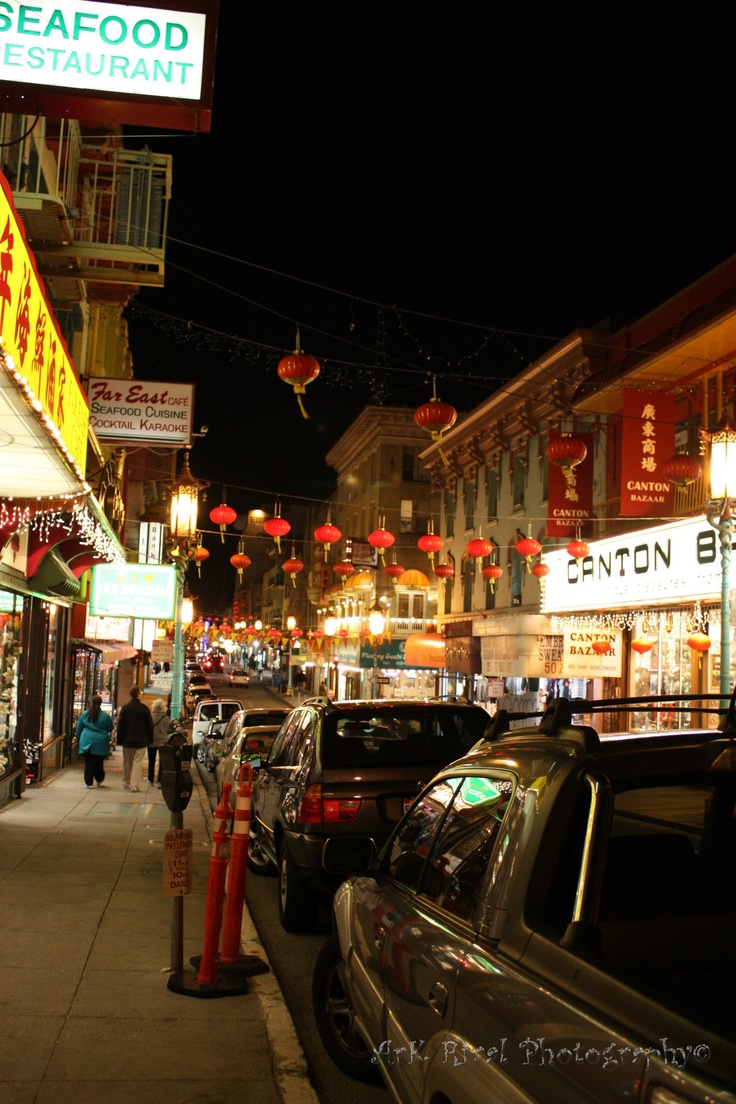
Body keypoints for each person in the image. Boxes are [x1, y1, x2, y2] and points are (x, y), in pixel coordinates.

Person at [116, 686, 153, 792]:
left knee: (127, 761)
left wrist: (119, 739)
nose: (141, 694)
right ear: (137, 695)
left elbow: (121, 725)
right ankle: (135, 784)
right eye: (140, 693)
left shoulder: (125, 708)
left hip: (127, 740)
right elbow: (149, 726)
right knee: (138, 762)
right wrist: (150, 739)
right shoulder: (145, 709)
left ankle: (126, 782)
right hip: (141, 740)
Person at [76, 694, 114, 789]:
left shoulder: (85, 714)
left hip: (87, 741)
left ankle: (89, 782)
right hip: (100, 743)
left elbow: (79, 728)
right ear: (101, 703)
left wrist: (78, 740)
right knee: (99, 762)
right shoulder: (105, 716)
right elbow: (110, 727)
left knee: (89, 763)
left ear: (91, 703)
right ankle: (99, 778)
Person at [148, 698, 170, 787]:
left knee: (151, 761)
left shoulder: (150, 717)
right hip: (162, 741)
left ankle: (150, 779)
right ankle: (160, 780)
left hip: (152, 741)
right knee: (162, 762)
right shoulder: (166, 718)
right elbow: (168, 729)